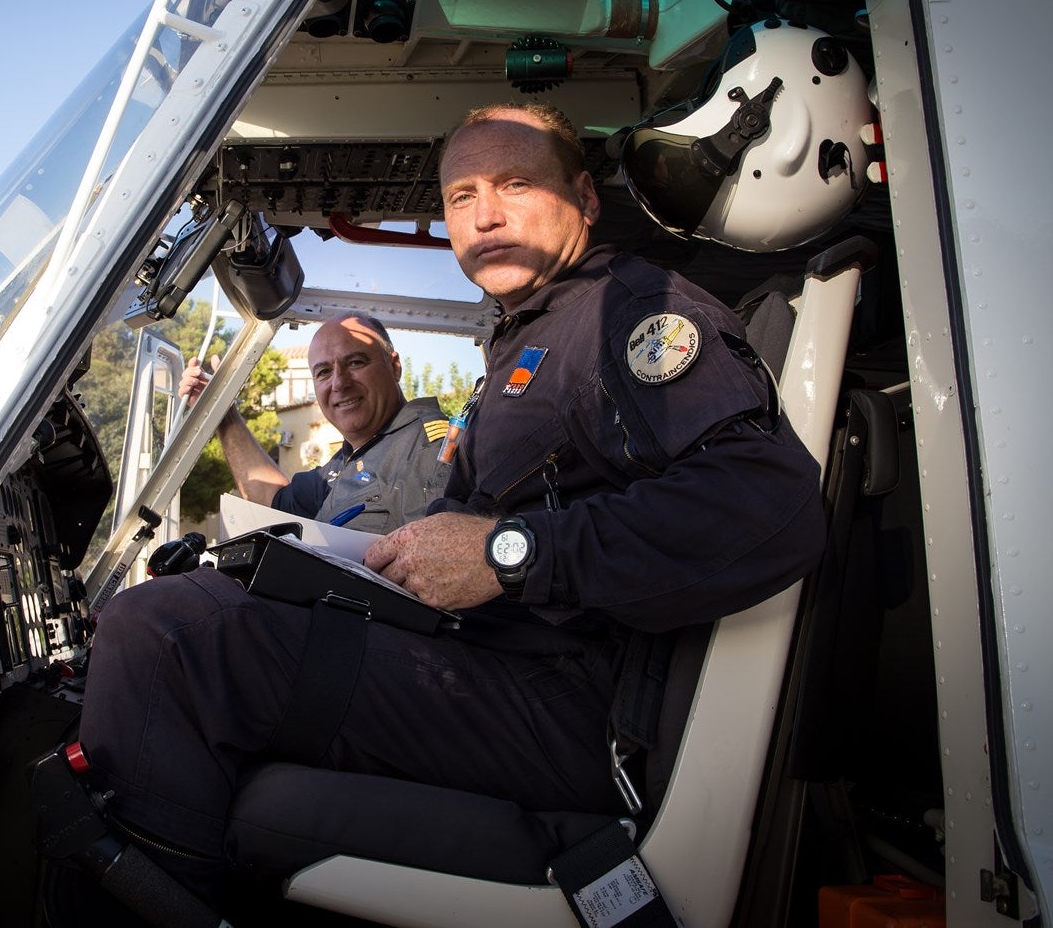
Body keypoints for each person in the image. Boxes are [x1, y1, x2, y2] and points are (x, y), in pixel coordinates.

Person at [72, 101, 826, 906]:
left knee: (165, 634)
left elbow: (769, 502)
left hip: (571, 706)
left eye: (514, 183)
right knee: (200, 610)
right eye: (461, 197)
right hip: (498, 664)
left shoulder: (625, 312)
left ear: (585, 198)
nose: (485, 214)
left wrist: (510, 553)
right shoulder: (527, 337)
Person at [178, 312, 450, 533]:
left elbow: (434, 576)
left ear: (394, 367)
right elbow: (271, 500)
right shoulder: (345, 463)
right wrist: (224, 415)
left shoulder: (429, 449)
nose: (339, 383)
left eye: (355, 362)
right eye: (323, 372)